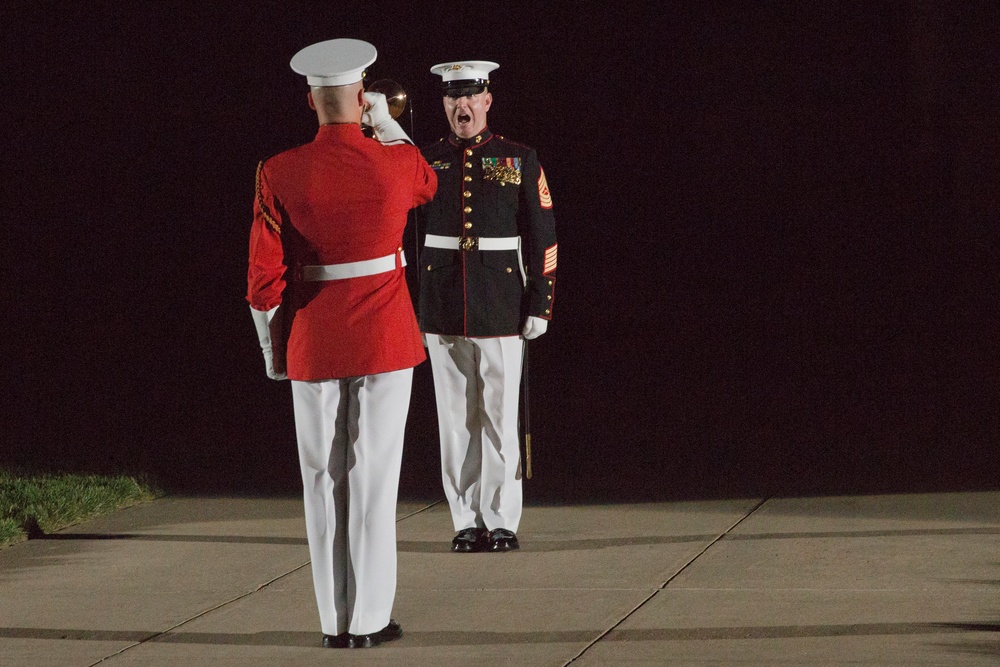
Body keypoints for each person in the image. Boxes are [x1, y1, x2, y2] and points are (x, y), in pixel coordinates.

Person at [246, 38, 437, 648]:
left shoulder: (278, 170)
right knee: (374, 480)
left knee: (320, 482)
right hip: (384, 336)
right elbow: (428, 183)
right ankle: (371, 620)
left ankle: (335, 623)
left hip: (314, 338)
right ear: (361, 97)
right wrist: (389, 126)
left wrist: (274, 351)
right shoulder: (393, 163)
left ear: (310, 100)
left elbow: (262, 279)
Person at [419, 61, 557, 553]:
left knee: (499, 416)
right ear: (444, 104)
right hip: (442, 305)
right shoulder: (425, 159)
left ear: (487, 101)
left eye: (470, 96)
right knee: (455, 418)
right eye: (453, 98)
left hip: (501, 303)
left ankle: (501, 518)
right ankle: (464, 518)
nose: (462, 105)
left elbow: (543, 233)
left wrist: (540, 301)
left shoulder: (518, 158)